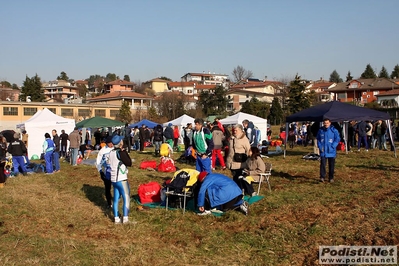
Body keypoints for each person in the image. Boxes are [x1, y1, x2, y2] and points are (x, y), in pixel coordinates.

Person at [109, 135, 133, 224]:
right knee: (126, 197)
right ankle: (125, 219)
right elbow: (129, 162)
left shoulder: (111, 152)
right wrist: (124, 152)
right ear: (120, 143)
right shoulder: (120, 153)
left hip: (114, 179)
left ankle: (116, 218)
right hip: (121, 179)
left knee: (116, 199)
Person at [317, 118, 340, 183]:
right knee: (323, 164)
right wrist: (320, 146)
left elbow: (337, 139)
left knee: (331, 165)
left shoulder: (334, 130)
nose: (326, 124)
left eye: (327, 123)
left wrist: (333, 146)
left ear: (330, 123)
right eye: (325, 123)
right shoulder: (320, 130)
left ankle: (331, 177)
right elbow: (318, 139)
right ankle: (322, 177)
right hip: (323, 151)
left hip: (331, 151)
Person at [96, 136, 114, 209]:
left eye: (112, 143)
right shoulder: (102, 150)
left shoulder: (115, 149)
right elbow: (98, 161)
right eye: (110, 143)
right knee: (107, 188)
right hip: (106, 172)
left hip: (115, 171)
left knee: (117, 187)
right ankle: (109, 203)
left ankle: (116, 199)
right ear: (107, 143)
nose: (111, 144)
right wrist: (100, 171)